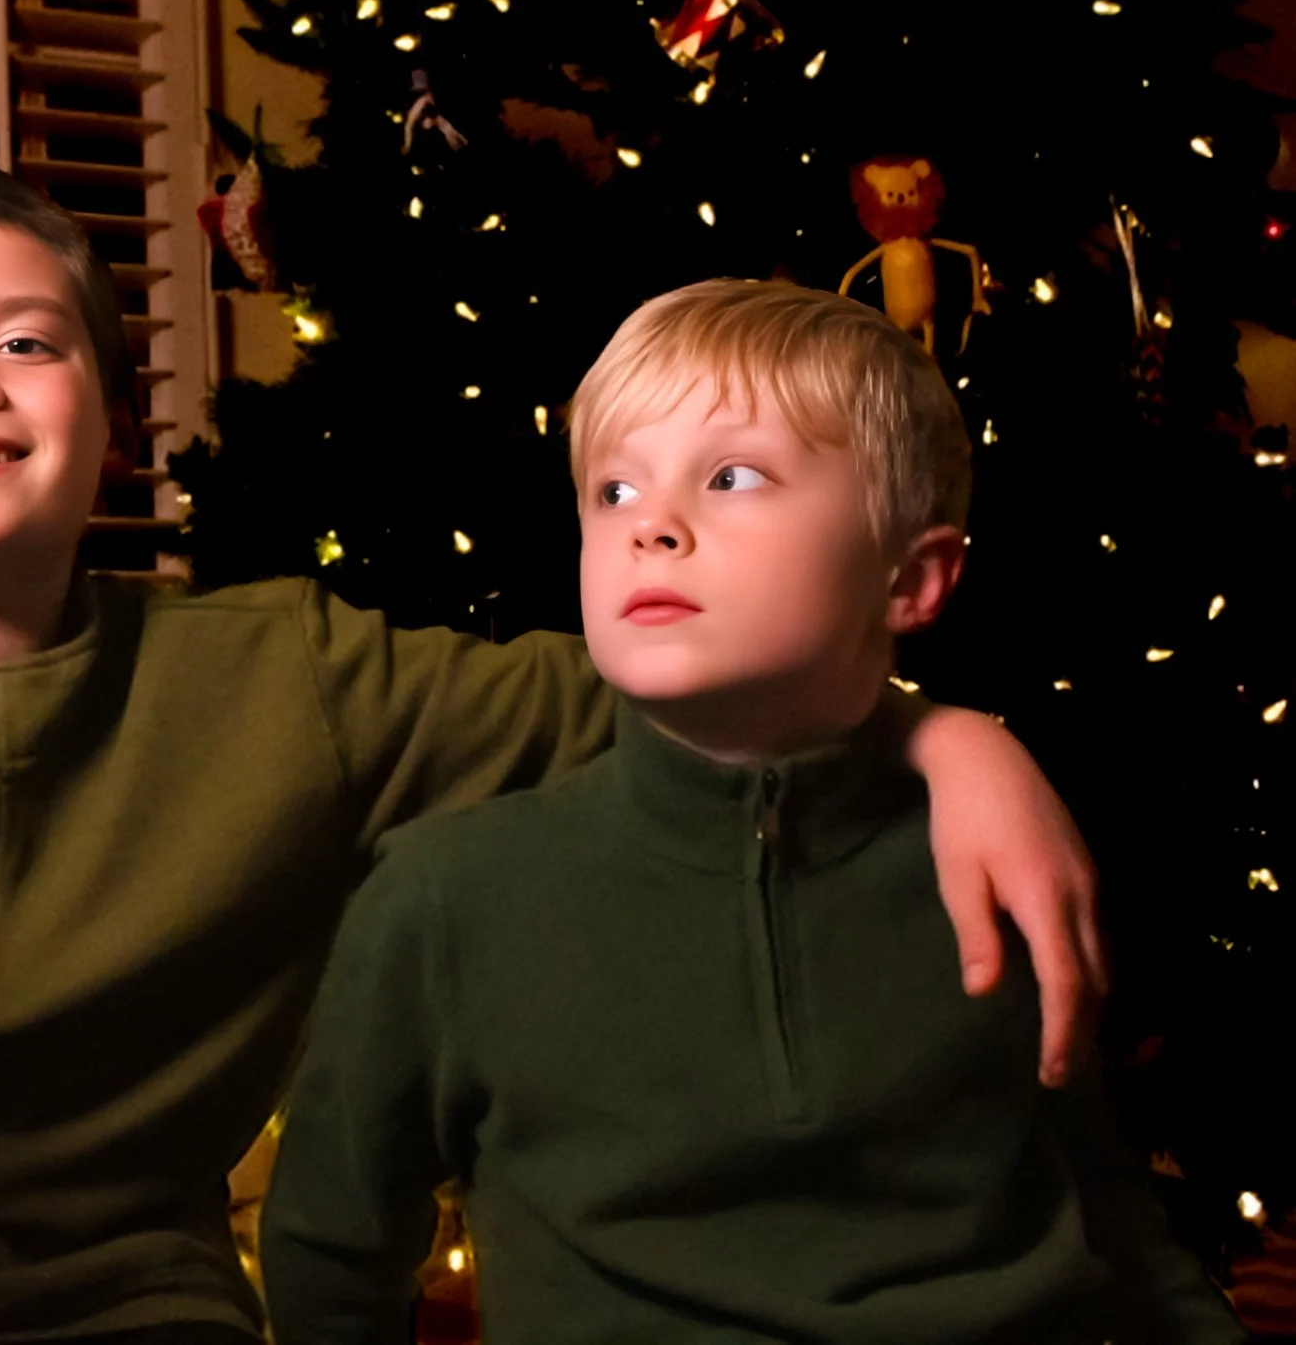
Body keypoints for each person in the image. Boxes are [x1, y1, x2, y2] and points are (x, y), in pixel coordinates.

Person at [0, 165, 1104, 1344]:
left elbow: (667, 683)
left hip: (136, 1316)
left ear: (108, 432)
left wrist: (941, 727)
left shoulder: (291, 679)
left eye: (26, 346)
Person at [258, 280, 1239, 1343]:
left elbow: (1105, 1211)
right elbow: (331, 1259)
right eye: (613, 490)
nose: (653, 527)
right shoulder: (447, 899)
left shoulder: (993, 856)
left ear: (912, 580)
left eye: (731, 476)